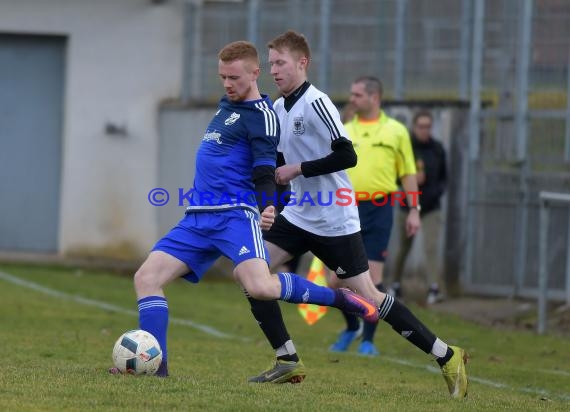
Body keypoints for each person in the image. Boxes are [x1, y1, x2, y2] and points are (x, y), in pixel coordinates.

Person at [108, 40, 379, 378]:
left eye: (234, 77)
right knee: (146, 277)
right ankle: (157, 367)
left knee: (261, 287)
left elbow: (265, 169)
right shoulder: (226, 106)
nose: (227, 83)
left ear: (255, 73)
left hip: (235, 216)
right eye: (222, 76)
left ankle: (339, 300)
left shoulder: (263, 117)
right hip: (197, 216)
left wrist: (267, 206)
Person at [245, 31, 468, 399]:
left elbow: (347, 155)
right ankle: (287, 360)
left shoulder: (317, 103)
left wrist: (298, 169)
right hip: (300, 214)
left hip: (335, 219)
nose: (274, 71)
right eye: (270, 64)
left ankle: (446, 354)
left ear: (303, 63)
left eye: (280, 63)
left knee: (370, 296)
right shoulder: (280, 109)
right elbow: (279, 164)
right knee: (251, 272)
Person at [328, 76, 420, 357]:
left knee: (372, 280)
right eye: (352, 94)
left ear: (374, 97)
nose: (351, 99)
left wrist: (414, 209)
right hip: (345, 208)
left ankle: (368, 340)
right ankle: (351, 326)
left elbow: (408, 173)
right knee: (335, 280)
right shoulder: (344, 129)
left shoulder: (396, 131)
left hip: (380, 210)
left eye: (357, 95)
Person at [390, 110, 448, 305]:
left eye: (428, 127)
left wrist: (435, 193)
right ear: (414, 127)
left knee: (431, 247)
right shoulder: (406, 148)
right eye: (421, 126)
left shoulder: (437, 149)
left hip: (431, 207)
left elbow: (443, 178)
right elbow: (395, 176)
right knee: (404, 246)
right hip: (408, 207)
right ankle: (396, 283)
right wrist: (413, 181)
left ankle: (434, 287)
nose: (425, 130)